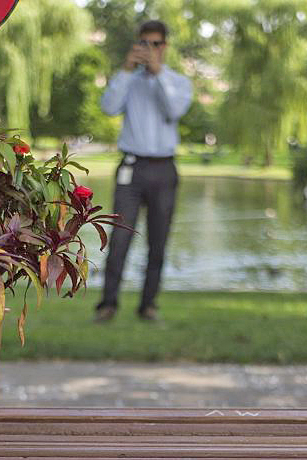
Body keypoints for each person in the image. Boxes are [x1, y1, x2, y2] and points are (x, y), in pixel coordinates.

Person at [94, 20, 193, 323]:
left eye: (156, 44)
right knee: (121, 237)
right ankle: (107, 304)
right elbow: (109, 107)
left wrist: (157, 73)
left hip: (164, 169)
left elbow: (174, 110)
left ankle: (148, 305)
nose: (150, 49)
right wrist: (125, 69)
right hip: (131, 168)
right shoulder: (129, 81)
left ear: (165, 47)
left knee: (158, 241)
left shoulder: (178, 82)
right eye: (144, 43)